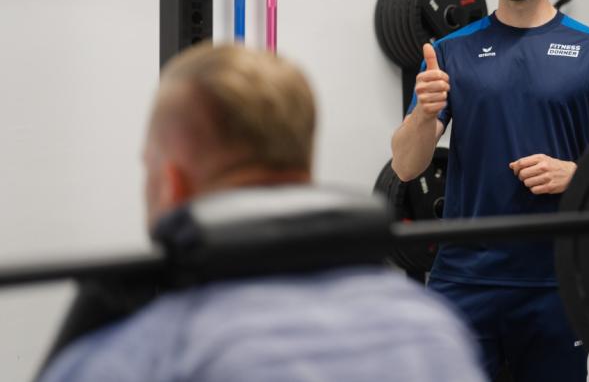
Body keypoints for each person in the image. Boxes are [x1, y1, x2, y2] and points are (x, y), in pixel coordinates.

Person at [39, 44, 487, 382]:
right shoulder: (431, 330)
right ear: (302, 163)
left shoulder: (143, 359)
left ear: (171, 183)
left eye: (148, 169)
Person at [391, 0, 589, 382]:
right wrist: (424, 113)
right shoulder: (449, 54)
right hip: (463, 279)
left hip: (556, 282)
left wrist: (578, 174)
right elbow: (405, 167)